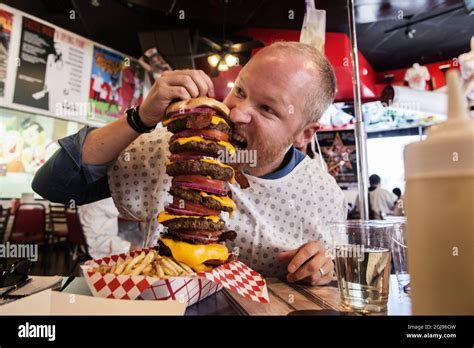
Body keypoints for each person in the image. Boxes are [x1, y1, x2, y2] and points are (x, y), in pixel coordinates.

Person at [32, 42, 346, 285]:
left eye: (266, 109)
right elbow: (54, 184)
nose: (235, 113)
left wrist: (324, 270)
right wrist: (141, 118)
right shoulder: (173, 147)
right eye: (240, 91)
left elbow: (333, 275)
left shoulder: (322, 196)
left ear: (305, 133)